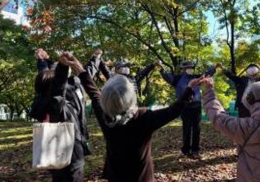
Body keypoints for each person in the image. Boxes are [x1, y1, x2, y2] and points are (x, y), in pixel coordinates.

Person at [60, 53, 202, 182]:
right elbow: (174, 110)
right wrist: (189, 89)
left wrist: (81, 70)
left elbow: (94, 93)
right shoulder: (144, 116)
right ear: (131, 95)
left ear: (105, 99)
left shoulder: (105, 116)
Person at [31, 53, 91, 182]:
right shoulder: (57, 107)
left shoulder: (41, 101)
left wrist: (42, 60)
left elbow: (44, 74)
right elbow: (57, 89)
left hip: (52, 155)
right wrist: (63, 67)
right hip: (69, 157)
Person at [159, 61, 216, 157]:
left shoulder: (197, 78)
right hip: (185, 106)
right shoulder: (178, 79)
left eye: (192, 67)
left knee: (196, 129)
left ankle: (195, 151)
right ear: (184, 69)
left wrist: (214, 67)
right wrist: (161, 69)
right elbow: (168, 77)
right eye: (188, 67)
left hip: (196, 106)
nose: (190, 69)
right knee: (186, 128)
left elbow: (207, 74)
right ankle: (185, 150)